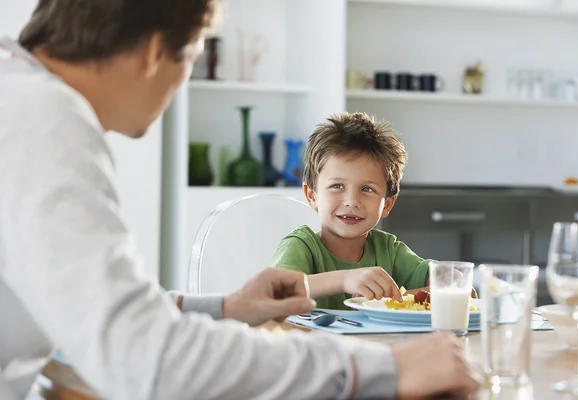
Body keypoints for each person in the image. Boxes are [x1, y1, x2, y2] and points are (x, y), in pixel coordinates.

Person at [0, 1, 480, 399]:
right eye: (191, 57)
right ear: (153, 52)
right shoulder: (46, 122)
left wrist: (224, 307)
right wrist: (384, 369)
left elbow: (102, 309)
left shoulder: (21, 96)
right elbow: (148, 359)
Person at [271, 112, 436, 309]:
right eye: (337, 186)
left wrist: (397, 300)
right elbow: (276, 293)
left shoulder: (388, 250)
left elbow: (450, 281)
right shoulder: (300, 246)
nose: (352, 201)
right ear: (312, 195)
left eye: (367, 189)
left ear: (388, 204)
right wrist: (345, 279)